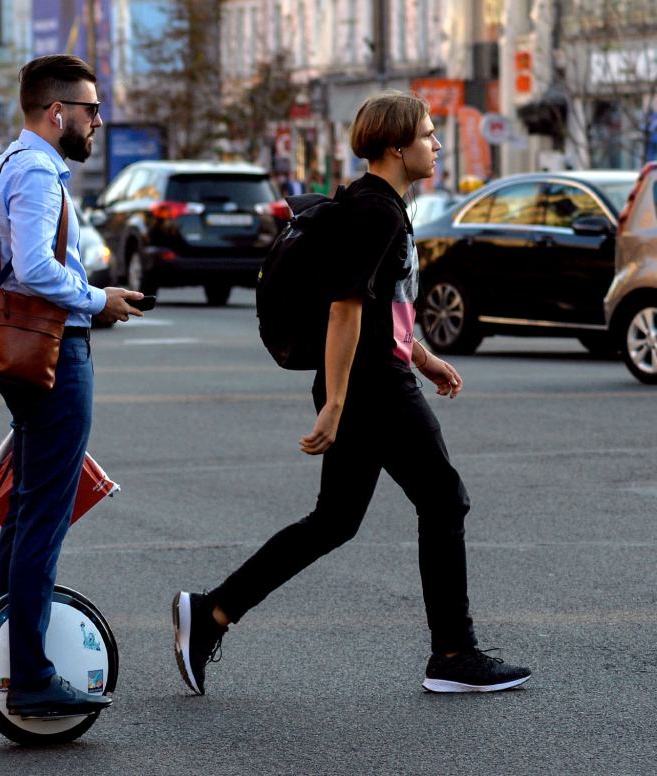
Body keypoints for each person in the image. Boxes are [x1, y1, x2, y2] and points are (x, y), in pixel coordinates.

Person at [172, 91, 531, 697]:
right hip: (371, 386)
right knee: (444, 502)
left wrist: (424, 355)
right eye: (427, 134)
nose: (437, 145)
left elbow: (381, 306)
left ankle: (210, 613)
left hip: (373, 376)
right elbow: (344, 309)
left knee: (335, 520)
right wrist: (336, 402)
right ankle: (453, 654)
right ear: (396, 146)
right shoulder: (378, 211)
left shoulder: (378, 203)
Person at [0, 55, 144, 720]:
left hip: (24, 350)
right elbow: (36, 265)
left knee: (26, 514)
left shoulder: (5, 166)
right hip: (53, 353)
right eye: (90, 110)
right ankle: (32, 674)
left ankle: (8, 652)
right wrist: (98, 299)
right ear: (57, 113)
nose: (97, 121)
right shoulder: (40, 171)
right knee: (44, 516)